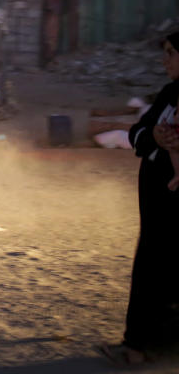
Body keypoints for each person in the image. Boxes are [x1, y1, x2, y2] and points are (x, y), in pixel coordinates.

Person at [100, 32, 179, 366]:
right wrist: (155, 137)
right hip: (158, 209)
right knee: (152, 270)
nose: (165, 60)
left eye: (172, 53)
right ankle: (144, 346)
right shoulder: (169, 94)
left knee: (160, 273)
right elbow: (137, 134)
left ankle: (141, 348)